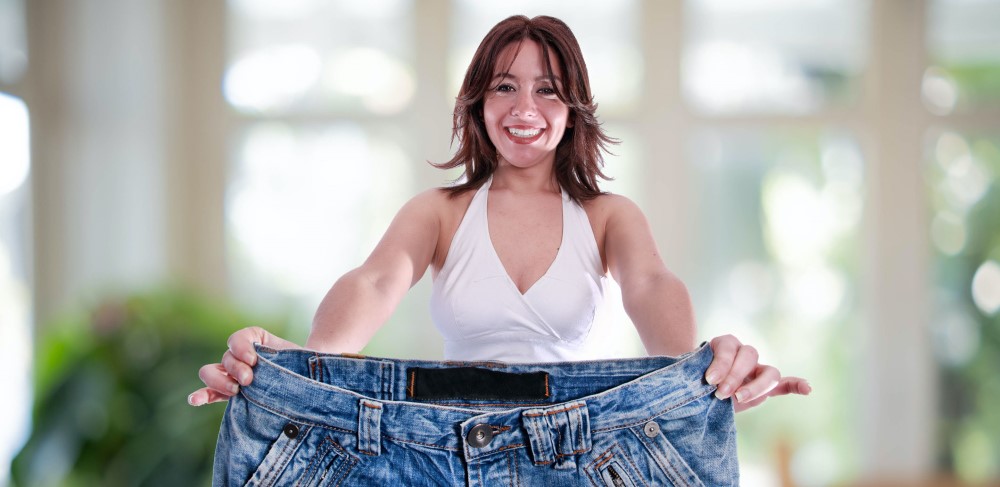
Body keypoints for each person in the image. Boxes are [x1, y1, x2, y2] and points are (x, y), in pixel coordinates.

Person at [188, 14, 810, 413]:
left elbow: (651, 286)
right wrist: (294, 375)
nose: (525, 107)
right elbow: (373, 283)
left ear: (574, 110)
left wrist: (705, 386)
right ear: (478, 102)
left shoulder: (608, 216)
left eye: (548, 89)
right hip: (442, 444)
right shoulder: (437, 212)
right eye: (505, 86)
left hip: (575, 447)